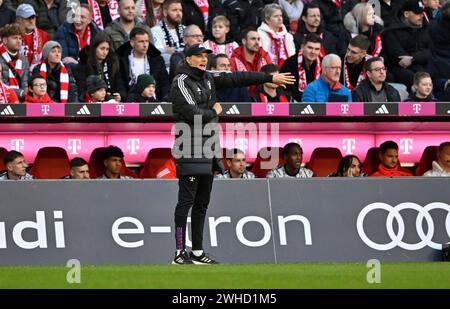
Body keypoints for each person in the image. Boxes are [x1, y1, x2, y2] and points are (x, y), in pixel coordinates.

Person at [170, 44, 294, 264]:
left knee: (202, 203)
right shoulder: (180, 81)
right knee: (185, 202)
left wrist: (268, 77)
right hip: (189, 147)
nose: (202, 59)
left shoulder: (208, 78)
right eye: (198, 56)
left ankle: (197, 252)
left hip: (209, 148)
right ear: (188, 59)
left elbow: (237, 77)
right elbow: (192, 114)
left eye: (204, 56)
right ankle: (179, 251)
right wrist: (214, 111)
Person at [382, 0, 432, 90]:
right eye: (417, 13)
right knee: (413, 77)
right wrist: (417, 59)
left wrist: (413, 58)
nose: (421, 16)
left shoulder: (427, 29)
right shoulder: (392, 31)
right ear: (406, 14)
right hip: (400, 69)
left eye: (422, 13)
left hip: (422, 64)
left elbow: (432, 51)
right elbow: (399, 58)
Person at [117, 27, 170, 100]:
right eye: (141, 41)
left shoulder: (157, 60)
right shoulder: (122, 61)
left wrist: (165, 99)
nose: (145, 45)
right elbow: (120, 83)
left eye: (147, 41)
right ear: (132, 43)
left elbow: (165, 82)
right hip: (130, 101)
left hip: (154, 101)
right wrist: (123, 97)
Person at [73, 32, 124, 102]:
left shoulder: (113, 62)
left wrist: (120, 95)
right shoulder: (83, 65)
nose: (105, 52)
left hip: (112, 103)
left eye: (107, 49)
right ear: (94, 48)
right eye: (102, 49)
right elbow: (82, 91)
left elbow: (120, 83)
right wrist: (108, 97)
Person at [55, 4, 101, 68]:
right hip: (70, 73)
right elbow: (64, 61)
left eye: (82, 17)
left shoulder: (97, 33)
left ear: (89, 20)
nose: (78, 20)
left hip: (91, 73)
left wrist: (76, 63)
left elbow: (99, 61)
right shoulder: (63, 31)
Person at [229, 28, 272, 95]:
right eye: (253, 39)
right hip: (241, 99)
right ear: (244, 41)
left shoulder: (265, 57)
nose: (257, 42)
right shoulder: (233, 61)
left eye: (258, 39)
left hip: (262, 98)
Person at [280, 33, 322, 102]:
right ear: (302, 47)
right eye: (310, 48)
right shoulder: (290, 64)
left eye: (316, 49)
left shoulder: (322, 64)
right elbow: (287, 89)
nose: (313, 52)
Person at [151, 0, 185, 71]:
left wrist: (170, 50)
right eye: (174, 10)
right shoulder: (155, 31)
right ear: (165, 12)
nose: (178, 13)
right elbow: (159, 54)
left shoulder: (186, 30)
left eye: (180, 10)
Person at [0, 23, 30, 101]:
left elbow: (25, 81)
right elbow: (2, 85)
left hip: (21, 101)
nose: (19, 41)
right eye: (15, 38)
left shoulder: (24, 59)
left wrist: (24, 92)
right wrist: (21, 93)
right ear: (5, 40)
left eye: (20, 38)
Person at [15, 3, 49, 69]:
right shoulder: (10, 35)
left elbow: (46, 58)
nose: (31, 21)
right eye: (28, 18)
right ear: (18, 20)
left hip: (37, 72)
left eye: (33, 17)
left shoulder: (43, 35)